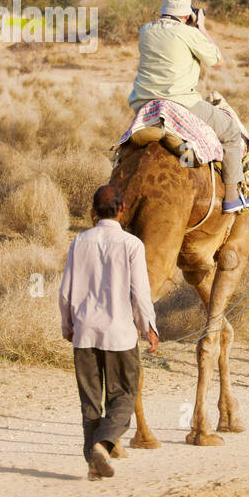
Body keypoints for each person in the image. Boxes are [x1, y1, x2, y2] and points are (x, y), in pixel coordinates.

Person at [59, 185, 160, 481]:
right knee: (125, 396)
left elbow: (65, 292)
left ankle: (93, 460)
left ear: (93, 210)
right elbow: (140, 294)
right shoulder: (132, 245)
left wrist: (68, 326)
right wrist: (149, 328)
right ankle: (102, 448)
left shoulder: (79, 242)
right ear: (122, 209)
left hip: (85, 334)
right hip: (120, 335)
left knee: (90, 402)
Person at [129, 0, 249, 213]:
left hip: (144, 105)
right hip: (180, 103)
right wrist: (201, 27)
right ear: (187, 14)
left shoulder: (145, 31)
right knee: (230, 133)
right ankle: (231, 198)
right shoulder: (189, 33)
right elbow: (217, 61)